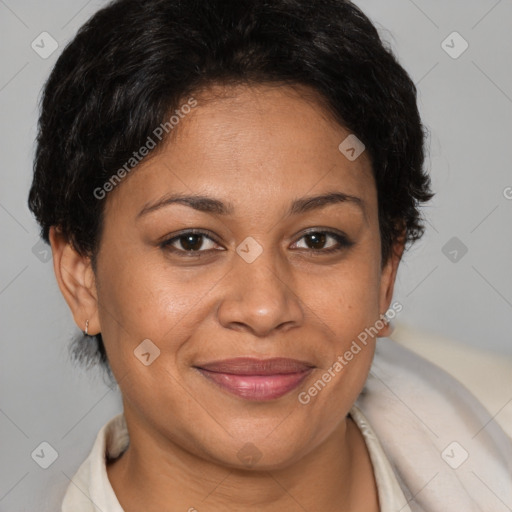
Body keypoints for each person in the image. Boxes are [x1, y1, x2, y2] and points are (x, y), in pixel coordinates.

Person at [27, 0, 512, 510]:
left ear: (386, 271)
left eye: (317, 240)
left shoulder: (495, 418)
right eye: (191, 241)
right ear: (82, 278)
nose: (264, 309)